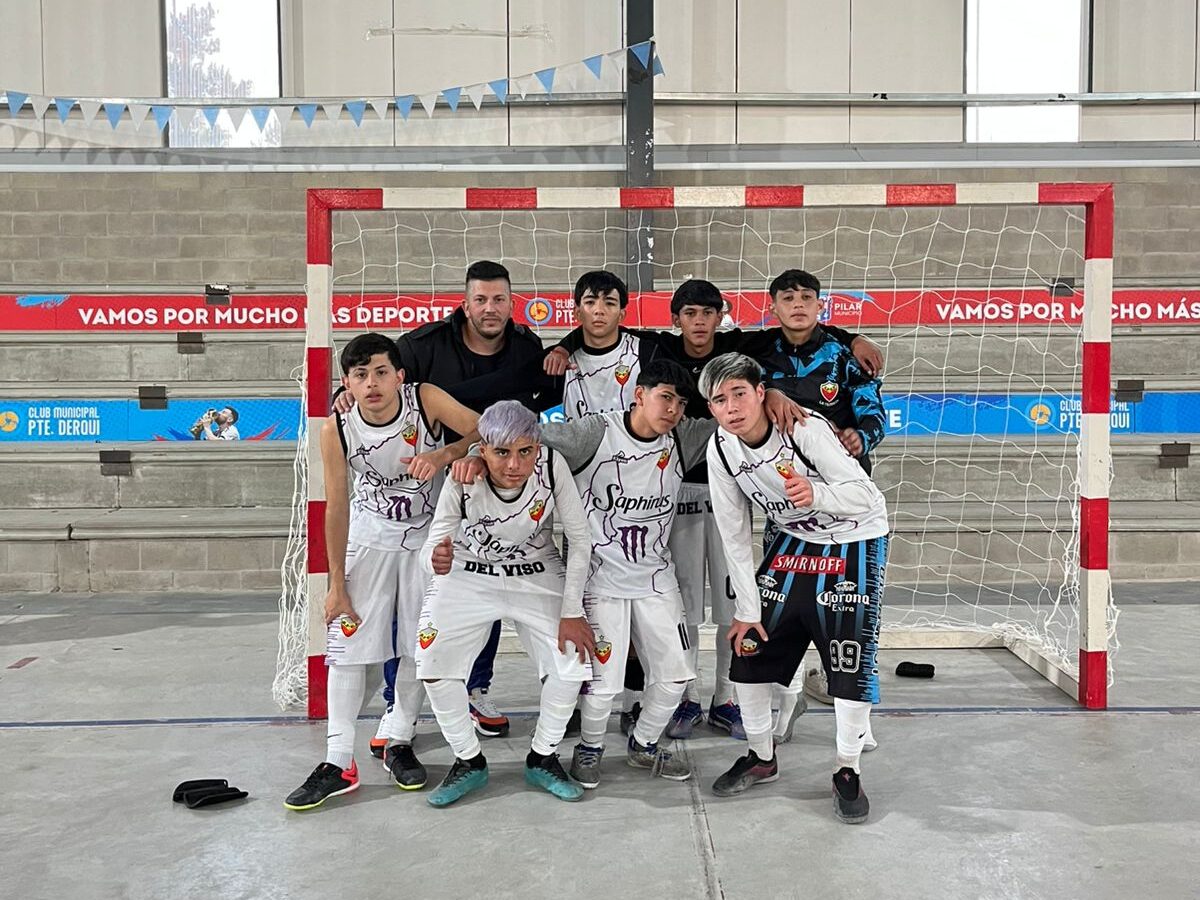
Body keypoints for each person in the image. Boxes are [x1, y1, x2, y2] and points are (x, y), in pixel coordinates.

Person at [545, 277, 883, 743]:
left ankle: (726, 700)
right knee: (683, 602)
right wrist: (563, 345)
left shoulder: (737, 346)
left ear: (721, 317)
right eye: (690, 313)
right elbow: (600, 332)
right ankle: (684, 698)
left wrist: (849, 340)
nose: (699, 322)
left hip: (734, 493)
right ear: (675, 319)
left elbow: (792, 330)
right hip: (676, 493)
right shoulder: (658, 347)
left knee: (733, 604)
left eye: (708, 313)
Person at [334, 261, 563, 746]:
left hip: (494, 482)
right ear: (465, 304)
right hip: (441, 493)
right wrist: (344, 392)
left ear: (511, 303)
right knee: (418, 613)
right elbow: (378, 381)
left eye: (499, 299)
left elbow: (521, 415)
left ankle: (475, 689)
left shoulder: (527, 347)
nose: (490, 308)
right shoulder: (422, 347)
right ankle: (398, 705)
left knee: (486, 590)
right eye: (480, 299)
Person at [283, 332, 480, 811]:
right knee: (348, 647)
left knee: (419, 643)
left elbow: (485, 430)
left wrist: (444, 454)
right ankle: (337, 761)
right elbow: (336, 505)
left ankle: (399, 740)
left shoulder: (425, 399)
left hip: (428, 539)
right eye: (360, 375)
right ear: (347, 383)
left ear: (399, 376)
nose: (371, 383)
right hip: (368, 539)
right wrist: (336, 584)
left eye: (380, 372)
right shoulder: (337, 428)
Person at [699, 353, 889, 824]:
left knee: (849, 657)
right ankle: (761, 757)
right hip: (793, 537)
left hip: (854, 536)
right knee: (749, 644)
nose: (732, 408)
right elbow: (733, 532)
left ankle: (847, 768)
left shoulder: (804, 429)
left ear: (761, 393)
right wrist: (746, 609)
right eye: (720, 400)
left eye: (739, 394)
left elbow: (867, 495)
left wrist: (816, 493)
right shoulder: (720, 447)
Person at [415, 401, 595, 807]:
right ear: (482, 449)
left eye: (525, 451)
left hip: (535, 568)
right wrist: (434, 559)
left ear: (537, 446)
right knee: (432, 662)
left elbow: (580, 538)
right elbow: (432, 544)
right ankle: (468, 760)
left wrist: (572, 611)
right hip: (469, 570)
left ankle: (543, 756)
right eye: (501, 452)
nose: (514, 464)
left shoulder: (552, 466)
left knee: (572, 663)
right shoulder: (463, 475)